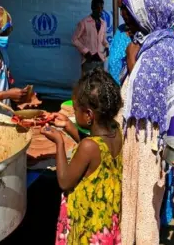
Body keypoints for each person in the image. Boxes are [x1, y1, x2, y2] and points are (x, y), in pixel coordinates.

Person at [118, 0, 174, 244]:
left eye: (130, 18)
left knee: (143, 204)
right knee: (130, 196)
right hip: (135, 137)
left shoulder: (162, 49)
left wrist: (132, 62)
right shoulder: (148, 43)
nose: (127, 25)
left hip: (148, 141)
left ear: (147, 16)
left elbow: (148, 96)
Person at [41, 68, 123, 244]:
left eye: (75, 108)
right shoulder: (116, 130)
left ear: (88, 115)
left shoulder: (88, 147)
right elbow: (95, 148)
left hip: (89, 228)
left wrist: (59, 142)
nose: (73, 112)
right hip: (107, 222)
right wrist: (69, 127)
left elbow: (64, 181)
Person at [107, 0, 150, 84]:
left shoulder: (154, 35)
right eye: (120, 8)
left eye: (125, 8)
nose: (121, 14)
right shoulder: (120, 31)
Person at [72, 0, 109, 75]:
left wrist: (107, 47)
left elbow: (103, 39)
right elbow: (74, 40)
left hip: (100, 59)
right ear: (92, 7)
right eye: (97, 7)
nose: (100, 10)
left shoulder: (103, 23)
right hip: (88, 60)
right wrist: (86, 51)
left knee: (99, 84)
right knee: (87, 85)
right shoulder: (84, 22)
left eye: (101, 7)